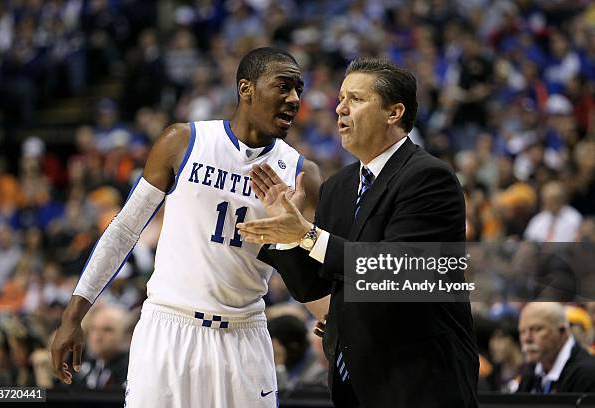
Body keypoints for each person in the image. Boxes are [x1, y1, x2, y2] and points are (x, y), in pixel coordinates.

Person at [51, 47, 322, 408]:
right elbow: (124, 230)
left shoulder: (303, 174)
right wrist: (73, 315)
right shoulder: (182, 141)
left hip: (244, 335)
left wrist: (333, 315)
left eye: (299, 90)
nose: (294, 99)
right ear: (246, 88)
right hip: (168, 326)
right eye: (284, 86)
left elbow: (315, 264)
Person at [238, 57, 479, 407]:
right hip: (354, 382)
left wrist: (306, 234)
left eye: (355, 99)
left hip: (421, 381)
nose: (339, 109)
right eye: (340, 99)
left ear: (393, 113)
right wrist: (285, 234)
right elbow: (314, 286)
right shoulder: (338, 187)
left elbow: (394, 271)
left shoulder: (428, 178)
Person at [517, 302, 595, 393]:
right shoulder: (530, 372)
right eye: (522, 332)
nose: (527, 339)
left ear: (562, 332)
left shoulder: (588, 374)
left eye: (537, 329)